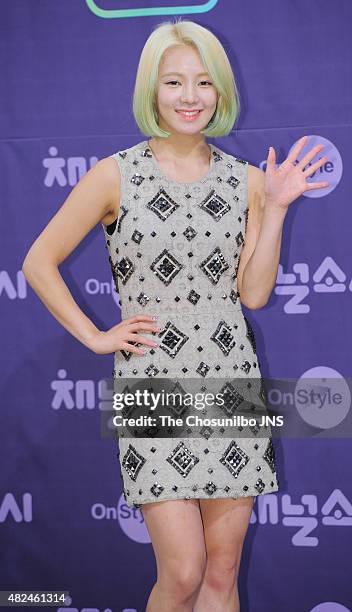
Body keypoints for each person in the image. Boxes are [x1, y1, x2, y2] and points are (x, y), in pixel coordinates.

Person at [22, 18, 329, 612]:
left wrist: (277, 207)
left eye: (203, 82)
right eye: (174, 82)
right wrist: (94, 335)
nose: (190, 97)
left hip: (229, 376)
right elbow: (39, 261)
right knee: (183, 571)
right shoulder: (115, 174)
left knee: (221, 573)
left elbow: (256, 293)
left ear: (220, 91)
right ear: (151, 92)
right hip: (154, 380)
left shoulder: (248, 181)